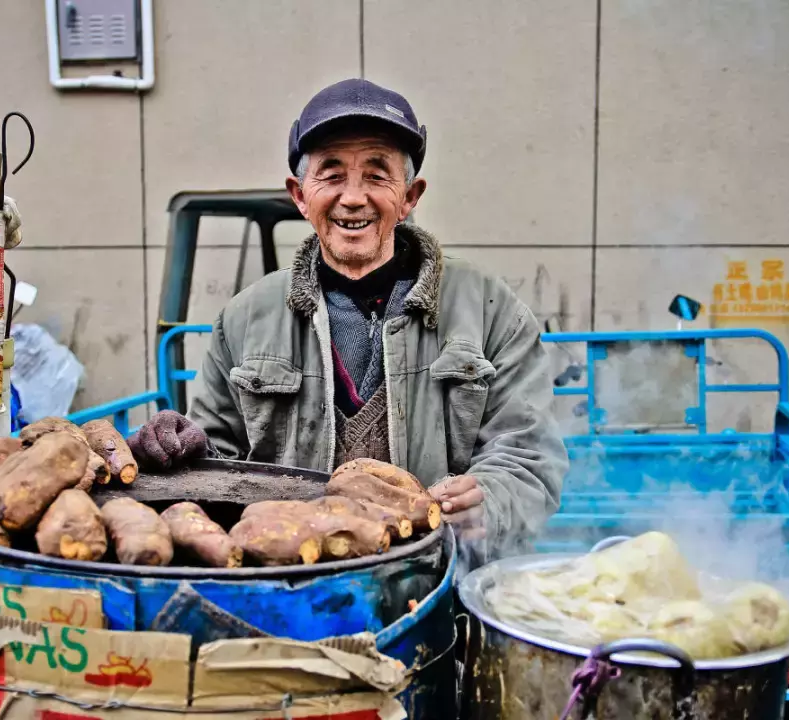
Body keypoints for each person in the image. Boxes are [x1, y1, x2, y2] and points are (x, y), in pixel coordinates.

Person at [127, 78, 569, 554]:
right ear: (300, 195)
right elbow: (221, 462)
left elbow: (529, 456)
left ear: (410, 196)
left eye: (377, 175)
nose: (353, 197)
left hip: (440, 572)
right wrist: (185, 449)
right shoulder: (244, 319)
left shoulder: (489, 310)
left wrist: (494, 501)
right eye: (331, 174)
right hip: (294, 578)